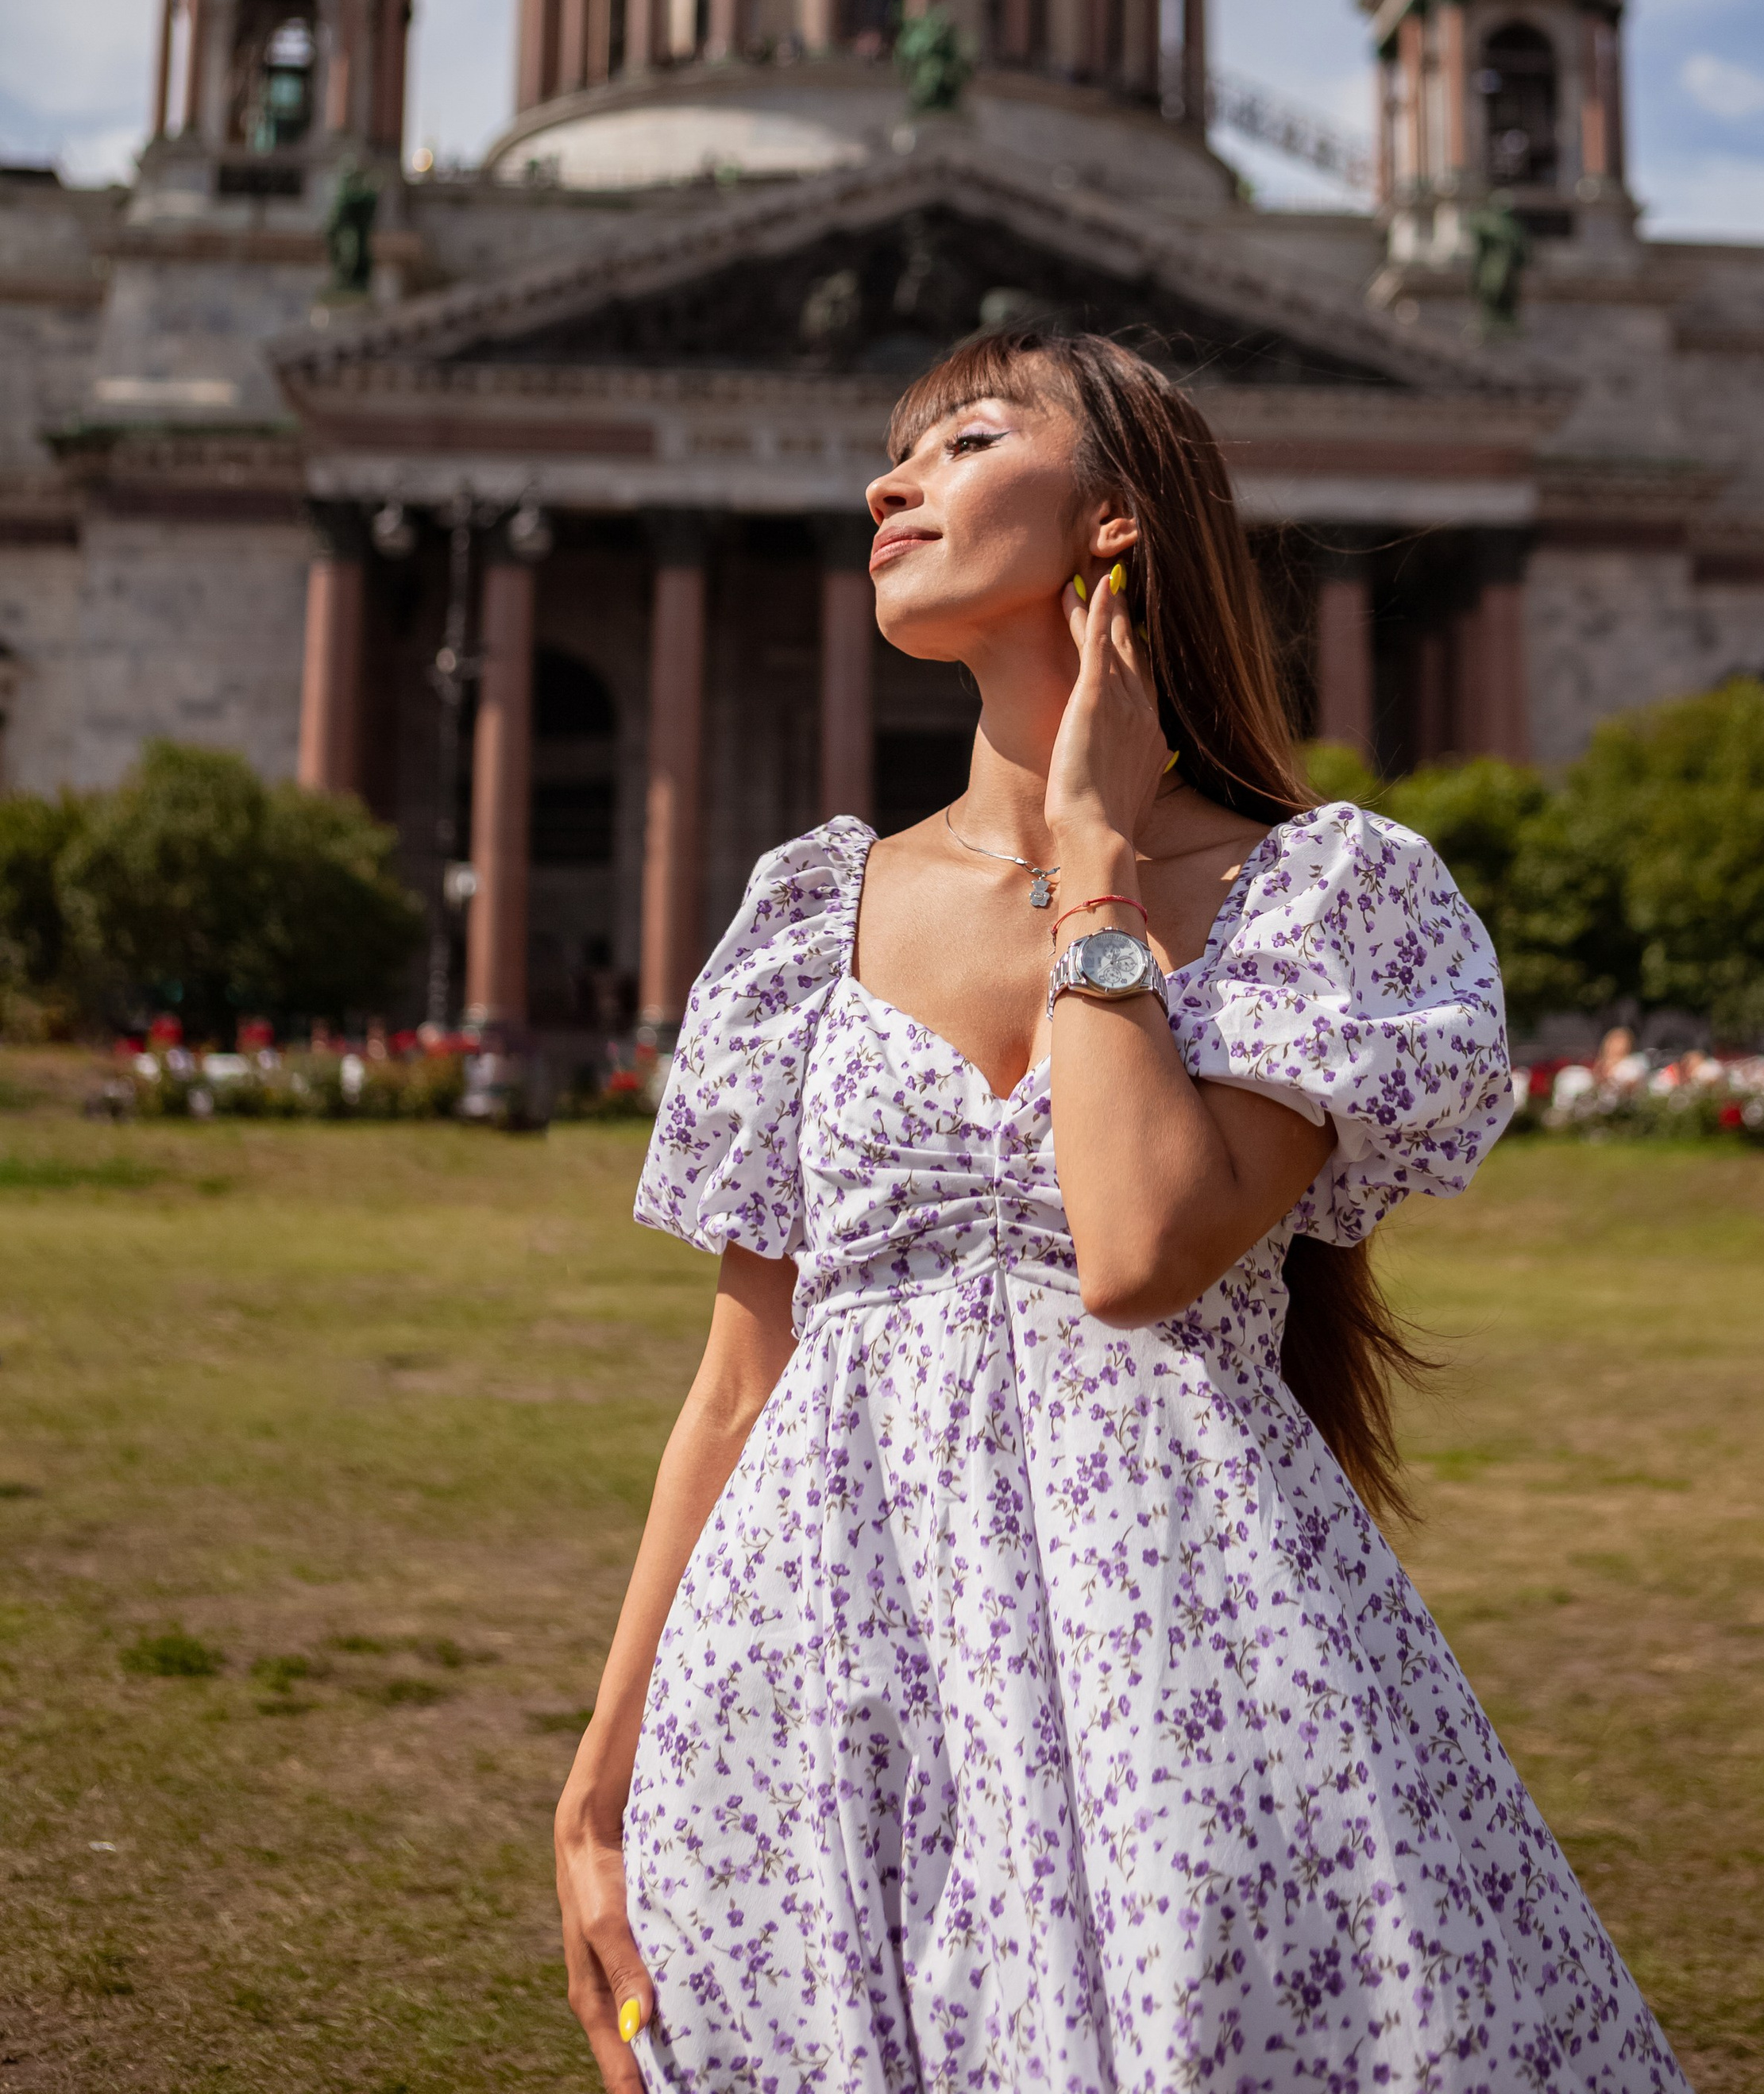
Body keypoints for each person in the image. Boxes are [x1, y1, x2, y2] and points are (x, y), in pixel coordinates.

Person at [555, 330, 1689, 2092]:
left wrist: (1093, 866)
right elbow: (735, 1381)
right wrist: (599, 1789)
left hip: (1184, 1666)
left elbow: (1142, 1248)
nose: (888, 484)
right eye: (889, 458)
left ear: (1113, 524)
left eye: (962, 441)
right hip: (810, 1671)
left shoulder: (1314, 896)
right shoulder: (803, 918)